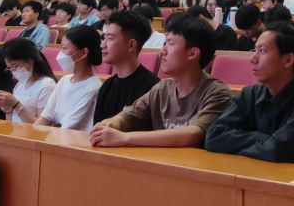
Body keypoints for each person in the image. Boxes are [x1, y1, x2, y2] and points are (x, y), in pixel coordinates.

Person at [91, 14, 231, 148]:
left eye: (171, 44)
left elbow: (192, 134)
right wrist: (108, 125)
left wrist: (124, 138)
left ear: (193, 53)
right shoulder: (162, 88)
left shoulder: (217, 92)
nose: (162, 51)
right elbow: (126, 117)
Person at [206, 21, 294, 167]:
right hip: (254, 173)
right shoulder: (250, 94)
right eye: (255, 50)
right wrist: (261, 138)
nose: (252, 58)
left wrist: (236, 147)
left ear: (288, 60)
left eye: (262, 51)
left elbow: (275, 151)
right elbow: (214, 137)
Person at [91, 10, 161, 125]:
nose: (102, 44)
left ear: (131, 45)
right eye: (104, 38)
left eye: (110, 38)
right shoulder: (107, 86)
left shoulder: (153, 88)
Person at [34, 26, 103, 130]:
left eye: (65, 48)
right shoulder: (64, 80)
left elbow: (68, 127)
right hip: (55, 135)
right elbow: (45, 118)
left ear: (83, 53)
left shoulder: (94, 88)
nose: (60, 53)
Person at [0, 38, 57, 123]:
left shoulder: (46, 85)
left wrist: (16, 105)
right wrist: (8, 109)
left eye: (15, 66)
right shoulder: (21, 84)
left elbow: (42, 126)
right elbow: (10, 122)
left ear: (30, 60)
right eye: (10, 68)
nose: (13, 71)